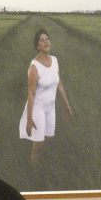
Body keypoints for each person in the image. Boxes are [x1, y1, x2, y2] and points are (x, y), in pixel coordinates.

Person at [18, 29, 73, 166]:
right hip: (38, 108)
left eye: (47, 39)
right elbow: (31, 93)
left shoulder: (54, 60)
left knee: (50, 138)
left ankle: (45, 166)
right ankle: (34, 176)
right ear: (37, 46)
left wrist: (67, 105)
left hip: (50, 107)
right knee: (38, 145)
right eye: (42, 40)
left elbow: (59, 83)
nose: (46, 42)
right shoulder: (34, 66)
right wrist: (29, 118)